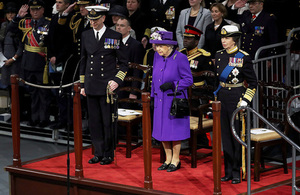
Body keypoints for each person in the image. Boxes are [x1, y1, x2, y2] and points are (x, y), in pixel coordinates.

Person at [80, 5, 128, 165]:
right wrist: (82, 85)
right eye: (90, 19)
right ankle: (98, 152)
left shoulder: (114, 35)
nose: (92, 22)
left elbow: (123, 63)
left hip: (107, 86)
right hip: (91, 84)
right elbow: (84, 61)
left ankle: (108, 153)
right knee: (94, 122)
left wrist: (117, 80)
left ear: (103, 18)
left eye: (95, 19)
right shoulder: (86, 35)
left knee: (108, 121)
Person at [214, 25, 257, 184]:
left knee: (236, 136)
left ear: (235, 39)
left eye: (227, 38)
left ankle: (237, 171)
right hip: (222, 97)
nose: (223, 41)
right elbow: (215, 81)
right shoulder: (219, 55)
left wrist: (246, 100)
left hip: (237, 98)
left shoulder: (243, 57)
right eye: (222, 38)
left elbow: (253, 83)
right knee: (225, 136)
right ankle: (228, 172)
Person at [150, 30, 193, 172]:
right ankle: (167, 159)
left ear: (169, 46)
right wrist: (152, 96)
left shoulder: (180, 58)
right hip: (159, 100)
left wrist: (173, 84)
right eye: (156, 46)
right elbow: (154, 78)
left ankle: (176, 159)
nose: (158, 49)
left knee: (174, 132)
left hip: (173, 100)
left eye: (160, 46)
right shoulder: (156, 56)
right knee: (162, 131)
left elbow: (188, 80)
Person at [8, 0, 51, 127]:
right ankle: (34, 118)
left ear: (43, 10)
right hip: (28, 63)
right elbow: (10, 30)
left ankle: (44, 119)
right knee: (32, 93)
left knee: (43, 93)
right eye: (33, 9)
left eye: (38, 9)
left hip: (42, 63)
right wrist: (18, 17)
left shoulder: (48, 23)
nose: (35, 12)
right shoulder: (25, 22)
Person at [48, 0, 73, 130]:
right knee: (58, 93)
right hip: (53, 60)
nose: (57, 4)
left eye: (61, 2)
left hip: (65, 61)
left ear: (67, 5)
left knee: (66, 93)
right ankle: (61, 120)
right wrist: (51, 55)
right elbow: (50, 39)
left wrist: (58, 57)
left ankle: (69, 122)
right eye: (56, 2)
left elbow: (68, 42)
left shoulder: (70, 19)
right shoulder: (53, 18)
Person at [180, 25, 214, 108]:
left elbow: (211, 80)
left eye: (189, 38)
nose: (185, 41)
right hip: (180, 91)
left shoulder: (203, 57)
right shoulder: (180, 54)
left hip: (197, 94)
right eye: (185, 38)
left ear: (196, 41)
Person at [116, 16, 144, 101]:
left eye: (122, 25)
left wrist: (134, 91)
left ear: (129, 28)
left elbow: (137, 70)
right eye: (117, 25)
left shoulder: (136, 45)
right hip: (114, 86)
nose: (118, 28)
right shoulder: (112, 42)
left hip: (127, 87)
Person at [0, 2, 22, 88]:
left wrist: (13, 59)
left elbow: (21, 45)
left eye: (12, 13)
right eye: (8, 13)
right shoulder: (3, 25)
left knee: (18, 86)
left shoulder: (20, 25)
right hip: (4, 59)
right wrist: (2, 57)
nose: (10, 15)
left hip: (16, 59)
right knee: (8, 84)